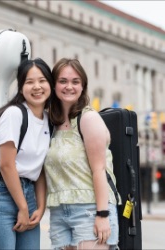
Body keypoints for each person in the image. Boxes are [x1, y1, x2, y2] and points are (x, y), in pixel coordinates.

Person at [0, 58, 54, 250]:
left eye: (42, 80)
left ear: (50, 85)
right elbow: (6, 165)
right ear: (21, 88)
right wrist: (23, 207)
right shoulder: (14, 114)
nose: (37, 86)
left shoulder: (48, 121)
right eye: (29, 82)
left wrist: (40, 206)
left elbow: (40, 169)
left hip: (28, 195)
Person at [44, 58, 120, 250]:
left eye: (75, 82)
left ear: (83, 87)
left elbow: (99, 170)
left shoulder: (88, 118)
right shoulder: (52, 124)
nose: (69, 86)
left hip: (90, 209)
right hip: (59, 213)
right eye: (63, 81)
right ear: (53, 85)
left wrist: (102, 215)